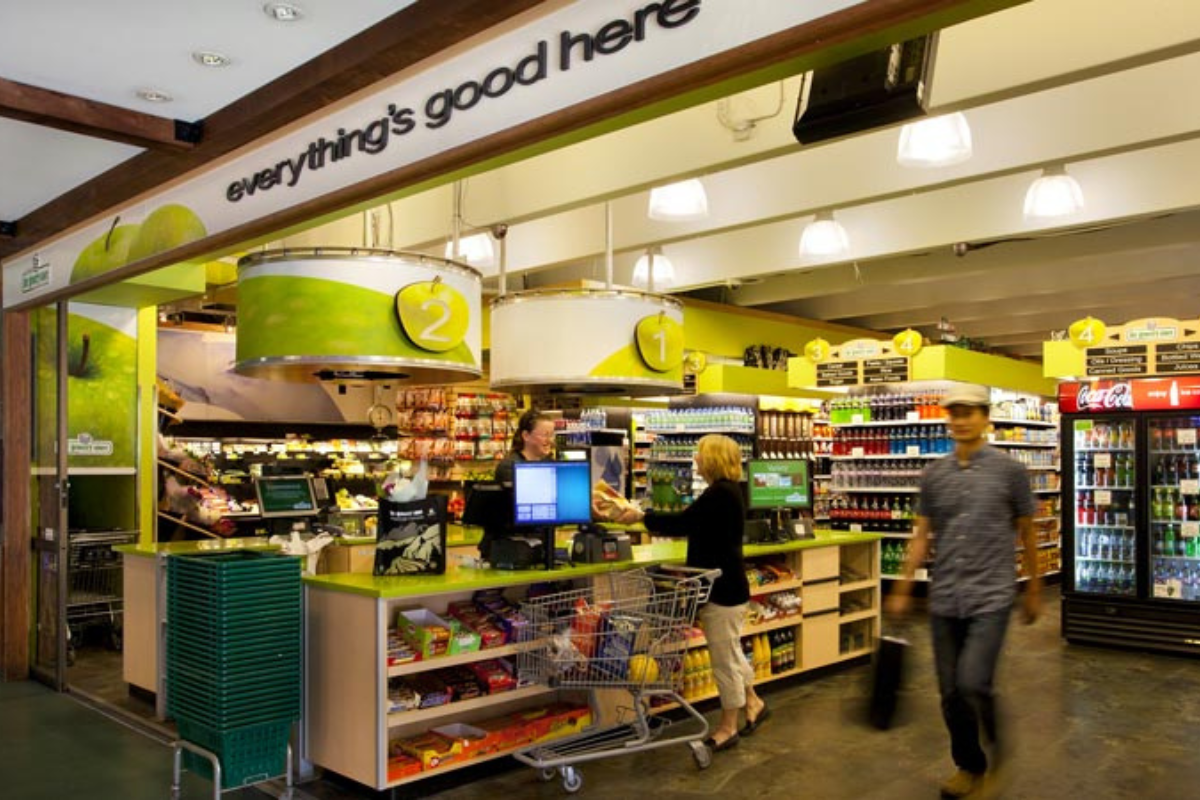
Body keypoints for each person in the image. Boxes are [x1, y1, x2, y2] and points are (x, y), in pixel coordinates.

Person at [885, 383, 1041, 798]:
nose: (960, 420)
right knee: (950, 692)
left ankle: (997, 746)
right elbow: (922, 535)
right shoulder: (934, 474)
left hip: (992, 594)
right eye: (954, 413)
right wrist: (903, 586)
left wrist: (1035, 587)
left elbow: (1027, 530)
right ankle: (969, 766)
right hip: (945, 596)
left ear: (985, 417)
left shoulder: (1010, 471)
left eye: (968, 412)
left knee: (973, 682)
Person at [597, 433, 767, 752]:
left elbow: (683, 522)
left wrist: (642, 517)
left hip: (722, 589)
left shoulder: (720, 494)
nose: (696, 460)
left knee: (724, 661)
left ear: (713, 459)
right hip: (726, 586)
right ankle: (753, 701)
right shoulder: (726, 491)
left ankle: (728, 726)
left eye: (701, 455)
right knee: (730, 651)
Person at [477, 409, 556, 561]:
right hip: (507, 550)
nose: (549, 440)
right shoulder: (509, 467)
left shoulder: (550, 465)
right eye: (544, 435)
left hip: (539, 547)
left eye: (551, 435)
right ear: (526, 436)